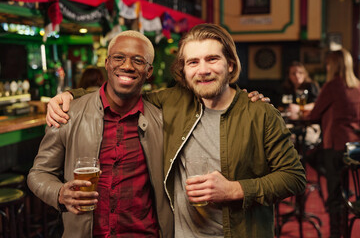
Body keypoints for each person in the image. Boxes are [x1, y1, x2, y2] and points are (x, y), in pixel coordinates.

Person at [45, 24, 306, 237]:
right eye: (193, 62)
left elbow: (294, 177)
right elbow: (121, 89)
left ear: (230, 64)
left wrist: (234, 190)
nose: (202, 70)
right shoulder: (173, 101)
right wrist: (70, 95)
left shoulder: (260, 113)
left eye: (212, 59)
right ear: (184, 70)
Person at [28, 31, 174, 237]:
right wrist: (59, 193)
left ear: (149, 71)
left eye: (138, 60)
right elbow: (39, 174)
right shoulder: (67, 114)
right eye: (119, 58)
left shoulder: (163, 120)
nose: (127, 66)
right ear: (106, 63)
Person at [306, 48, 360, 238]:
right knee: (342, 191)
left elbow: (314, 115)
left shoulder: (332, 85)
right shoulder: (357, 86)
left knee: (335, 196)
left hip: (336, 146)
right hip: (355, 148)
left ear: (333, 65)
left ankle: (337, 234)